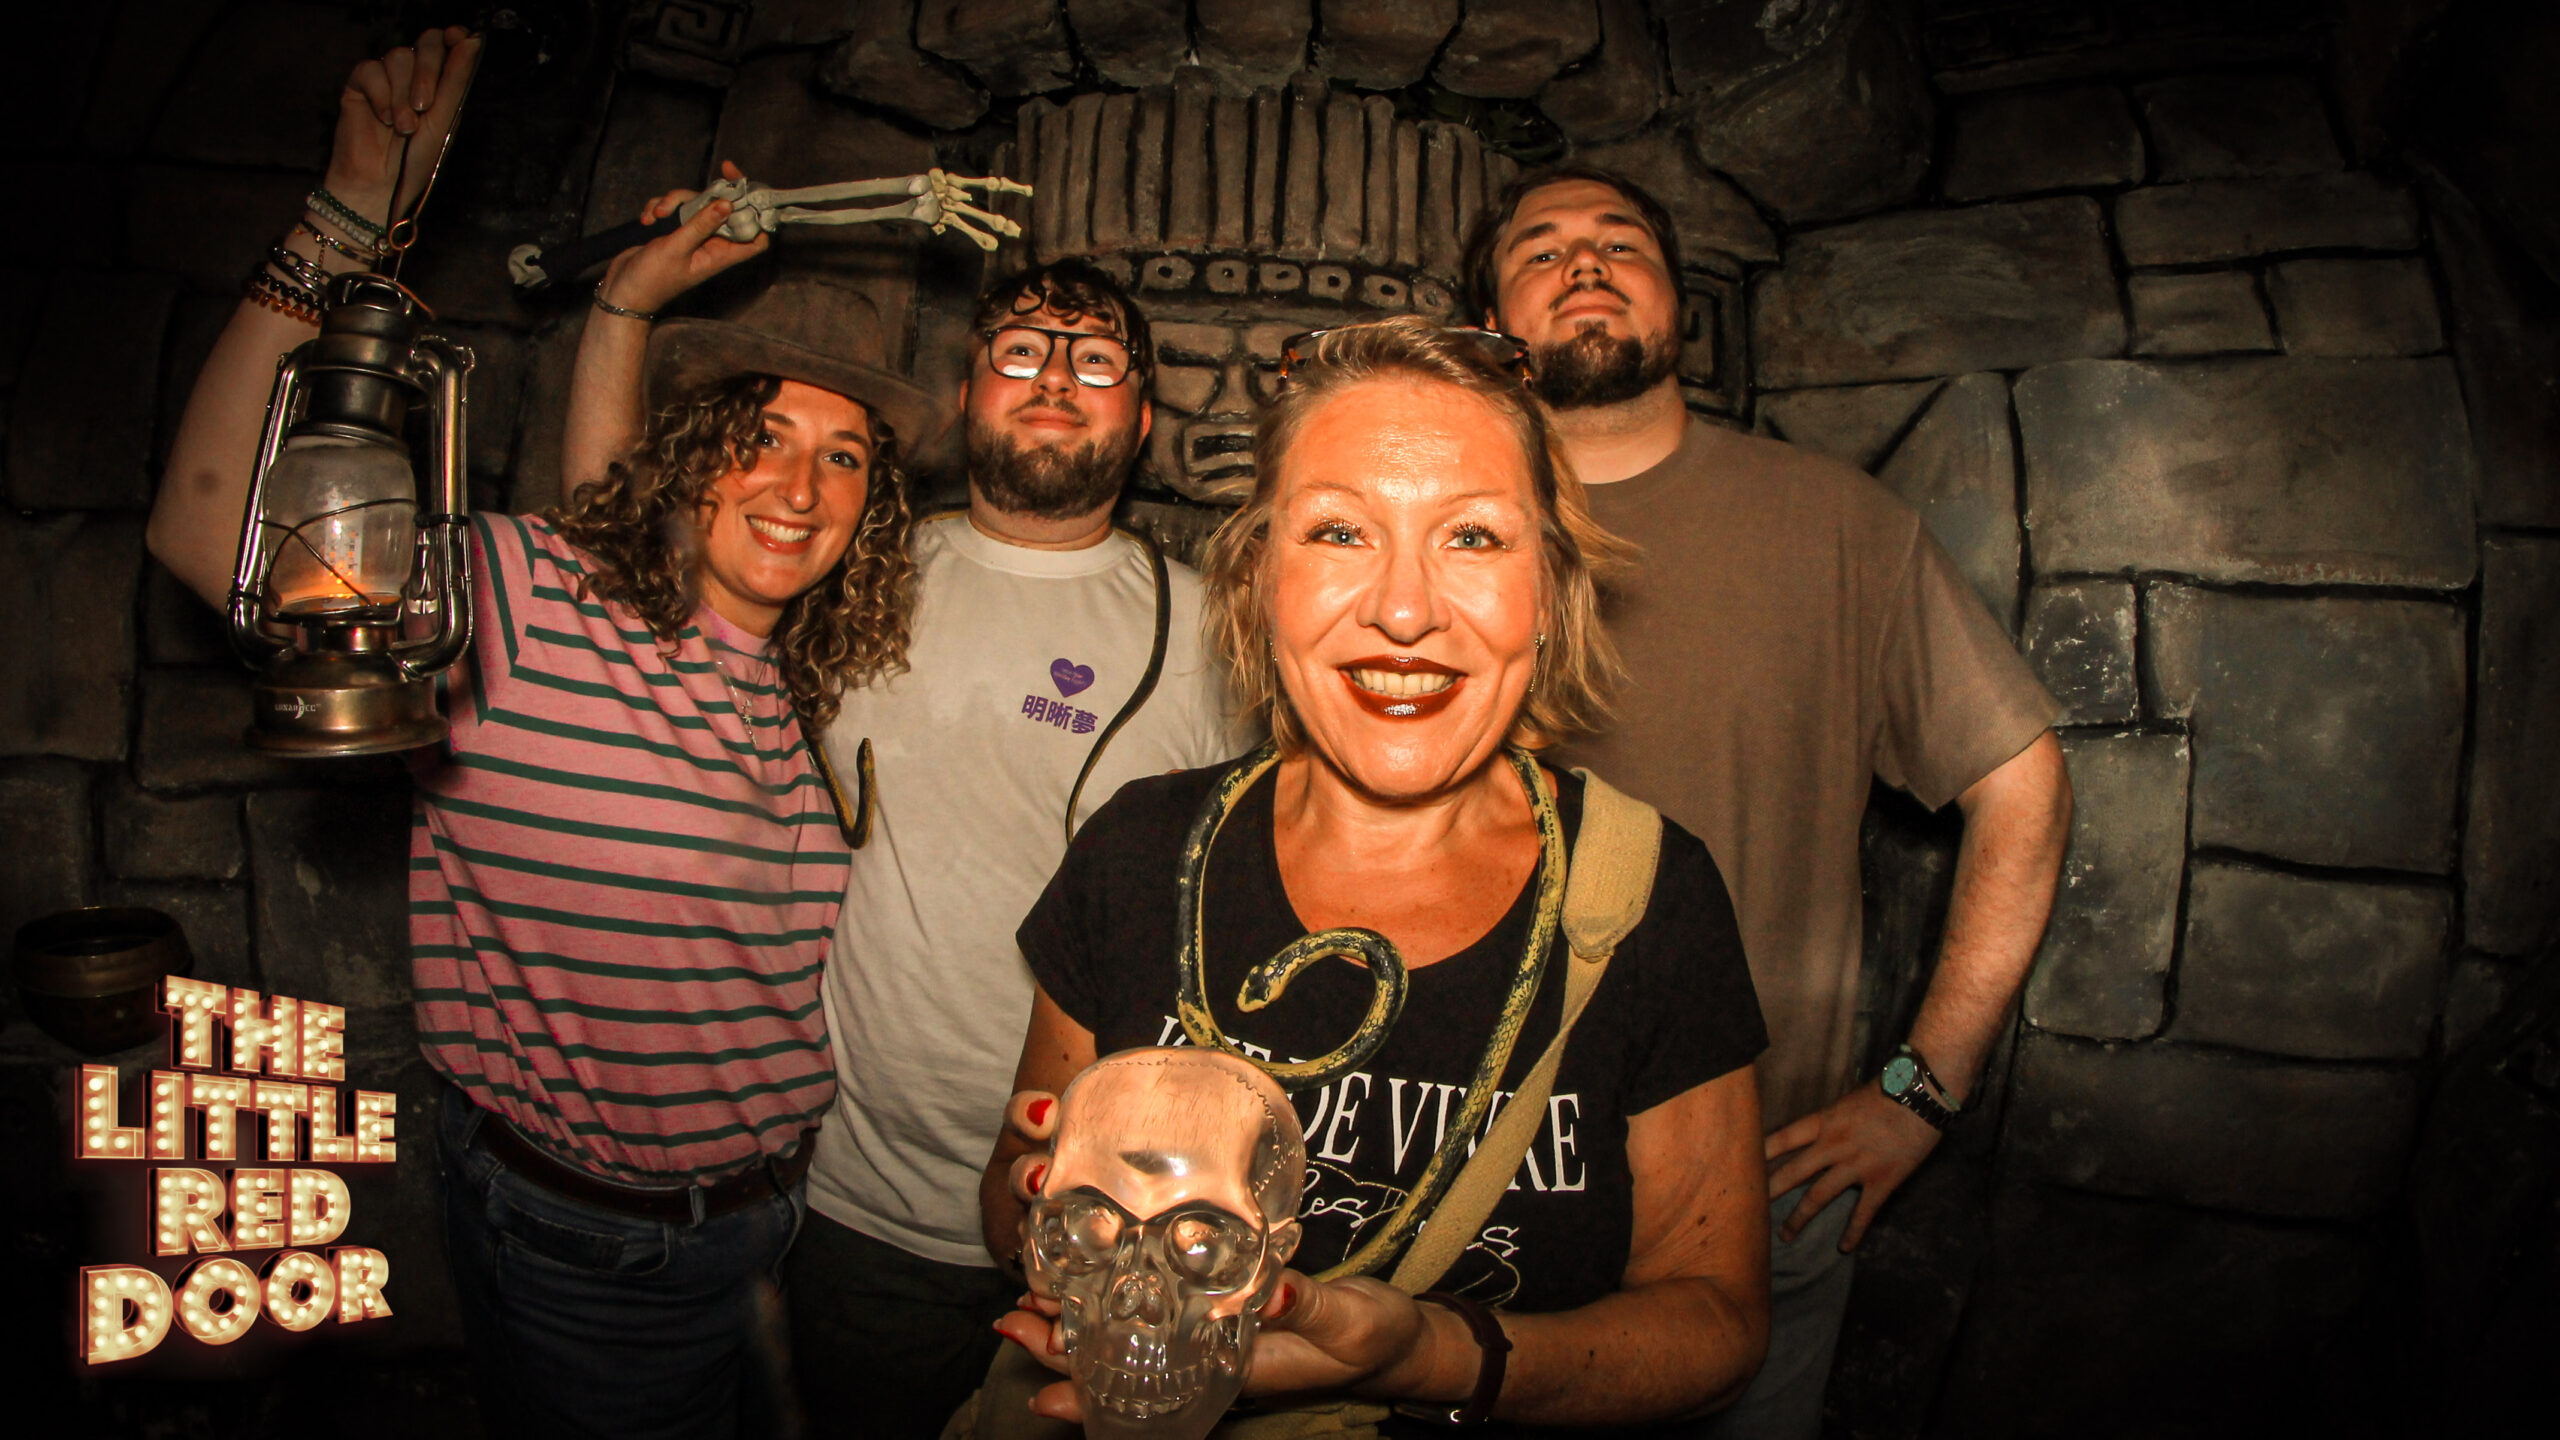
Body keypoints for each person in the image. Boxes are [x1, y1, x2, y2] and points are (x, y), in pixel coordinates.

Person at [147, 30, 940, 1439]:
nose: (799, 485)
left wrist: (624, 309)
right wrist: (345, 220)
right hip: (595, 1250)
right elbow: (208, 527)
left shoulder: (797, 683)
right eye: (759, 434)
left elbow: (622, 553)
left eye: (844, 456)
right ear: (692, 457)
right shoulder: (521, 603)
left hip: (779, 1224)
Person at [980, 318, 1772, 1433]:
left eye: (1474, 537)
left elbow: (1717, 1323)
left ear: (1550, 590)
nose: (1404, 610)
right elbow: (1013, 1195)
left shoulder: (1650, 895)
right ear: (1260, 578)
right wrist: (1058, 1216)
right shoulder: (1138, 849)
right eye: (1340, 531)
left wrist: (1430, 1356)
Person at [565, 218, 1244, 1434]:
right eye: (1021, 350)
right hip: (859, 1207)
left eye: (1095, 361)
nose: (1054, 378)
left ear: (1141, 420)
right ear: (968, 391)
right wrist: (621, 313)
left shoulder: (1212, 636)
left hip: (1105, 1218)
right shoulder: (845, 572)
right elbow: (628, 574)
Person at [1462, 166, 2074, 1436]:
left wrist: (1921, 1090)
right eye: (1541, 251)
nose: (1584, 264)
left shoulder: (1835, 523)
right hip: (1459, 1182)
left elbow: (2023, 782)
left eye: (1620, 243)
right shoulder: (1432, 535)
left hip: (1754, 1191)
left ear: (1679, 306)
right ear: (1489, 323)